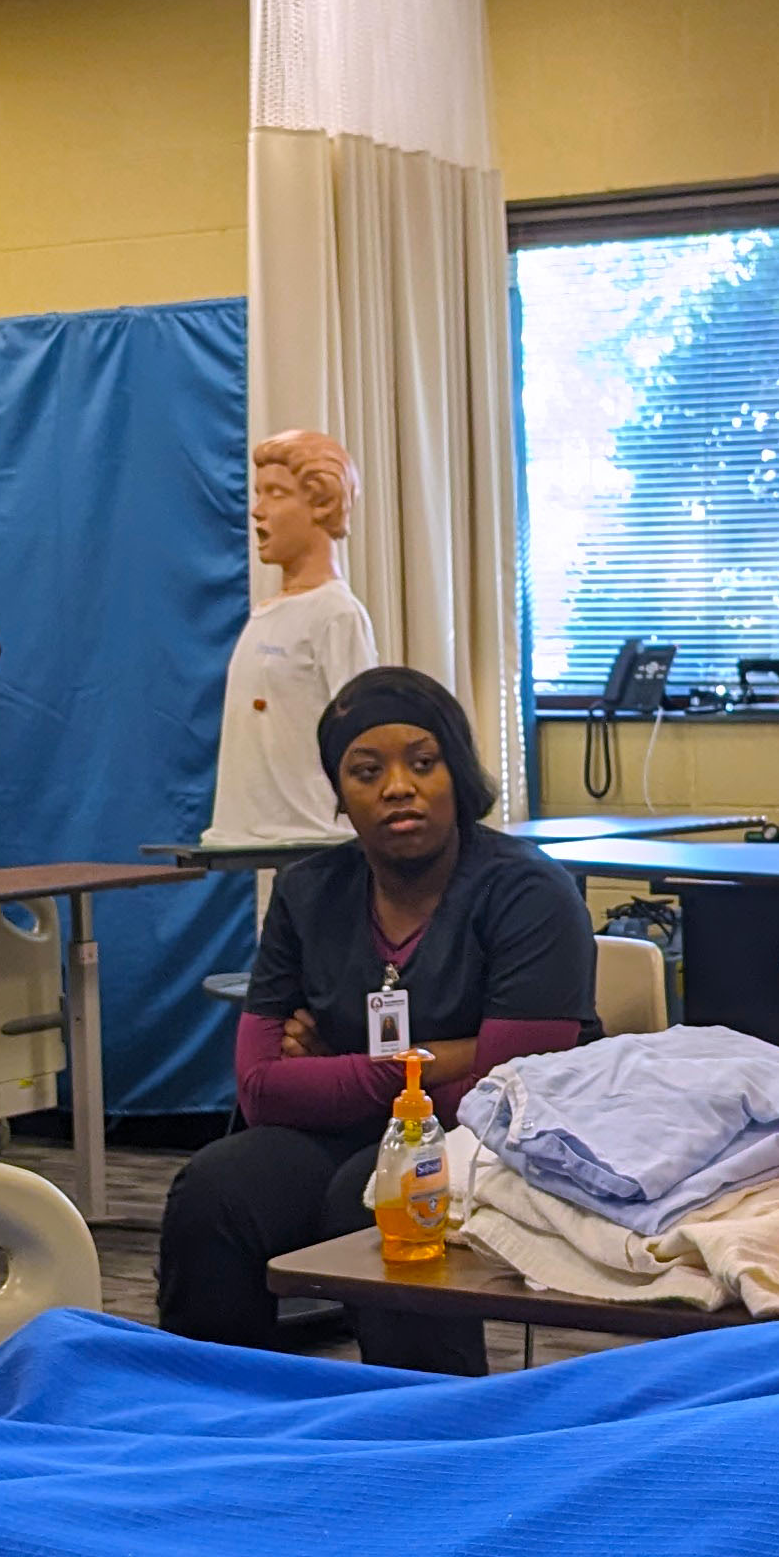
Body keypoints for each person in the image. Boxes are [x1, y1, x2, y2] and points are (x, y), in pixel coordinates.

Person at [158, 667, 592, 1373]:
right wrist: (442, 1058)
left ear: (457, 773)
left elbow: (509, 1084)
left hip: (498, 1139)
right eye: (366, 771)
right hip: (350, 1131)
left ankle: (434, 1433)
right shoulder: (308, 892)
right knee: (217, 1189)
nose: (397, 786)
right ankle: (221, 1421)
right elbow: (260, 1088)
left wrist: (336, 1065)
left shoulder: (529, 891)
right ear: (340, 792)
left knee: (378, 1195)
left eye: (423, 763)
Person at [201, 428, 379, 846]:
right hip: (255, 837)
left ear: (322, 503)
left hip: (312, 836)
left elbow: (362, 732)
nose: (258, 511)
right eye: (258, 494)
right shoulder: (267, 612)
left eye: (276, 494)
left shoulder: (335, 613)